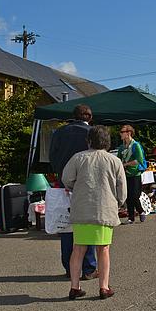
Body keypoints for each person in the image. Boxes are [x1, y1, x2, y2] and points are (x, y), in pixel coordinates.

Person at [61, 126, 126, 300]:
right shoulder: (114, 161)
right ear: (107, 141)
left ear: (89, 140)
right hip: (104, 210)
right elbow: (122, 188)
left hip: (81, 209)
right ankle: (104, 287)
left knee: (78, 248)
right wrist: (118, 203)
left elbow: (66, 179)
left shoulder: (78, 158)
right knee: (103, 249)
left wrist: (77, 188)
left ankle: (75, 287)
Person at [49, 104, 98, 280]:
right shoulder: (91, 133)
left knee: (67, 225)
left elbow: (52, 157)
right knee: (87, 224)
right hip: (86, 184)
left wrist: (60, 173)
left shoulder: (60, 132)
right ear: (89, 117)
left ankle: (69, 267)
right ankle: (88, 267)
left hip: (63, 182)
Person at [117, 125, 146, 224]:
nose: (120, 133)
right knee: (127, 196)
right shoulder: (121, 147)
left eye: (122, 131)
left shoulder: (135, 145)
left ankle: (141, 211)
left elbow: (139, 160)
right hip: (125, 174)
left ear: (128, 133)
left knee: (134, 195)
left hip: (135, 173)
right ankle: (131, 217)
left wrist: (126, 164)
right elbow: (118, 159)